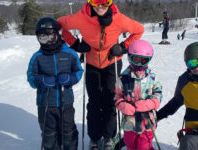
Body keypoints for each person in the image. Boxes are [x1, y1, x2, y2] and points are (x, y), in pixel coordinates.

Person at [57, 0, 144, 149]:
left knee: (110, 100)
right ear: (90, 3)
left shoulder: (118, 18)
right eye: (96, 2)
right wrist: (75, 44)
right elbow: (59, 24)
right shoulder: (81, 17)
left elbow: (139, 30)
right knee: (94, 101)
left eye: (105, 2)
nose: (101, 6)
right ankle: (95, 137)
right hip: (91, 63)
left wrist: (123, 47)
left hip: (112, 62)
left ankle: (109, 136)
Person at [27, 17, 84, 150]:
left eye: (50, 36)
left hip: (66, 102)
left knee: (68, 130)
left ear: (57, 34)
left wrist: (70, 78)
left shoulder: (69, 53)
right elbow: (31, 77)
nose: (47, 41)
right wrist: (41, 80)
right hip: (45, 103)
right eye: (42, 37)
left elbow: (78, 71)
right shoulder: (37, 57)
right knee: (49, 134)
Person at [114, 40, 162, 150]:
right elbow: (117, 96)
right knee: (129, 142)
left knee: (143, 145)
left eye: (143, 60)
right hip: (129, 121)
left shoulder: (152, 78)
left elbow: (158, 93)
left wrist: (150, 103)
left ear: (149, 60)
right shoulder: (123, 78)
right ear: (129, 57)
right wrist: (122, 105)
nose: (139, 64)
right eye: (135, 59)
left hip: (147, 120)